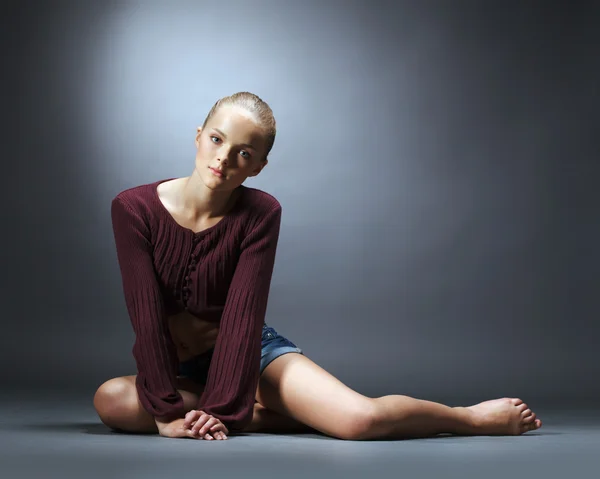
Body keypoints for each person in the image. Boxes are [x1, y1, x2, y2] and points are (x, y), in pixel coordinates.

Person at [93, 91, 543, 441]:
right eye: (217, 139)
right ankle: (275, 418)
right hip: (176, 369)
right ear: (198, 135)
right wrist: (167, 415)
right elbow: (146, 317)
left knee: (359, 420)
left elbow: (243, 317)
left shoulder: (261, 212)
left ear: (259, 166)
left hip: (249, 352)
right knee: (111, 400)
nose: (224, 159)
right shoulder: (133, 209)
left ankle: (468, 419)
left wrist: (218, 409)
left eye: (244, 153)